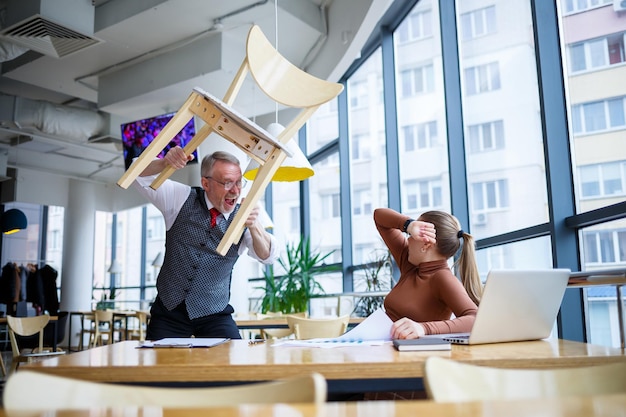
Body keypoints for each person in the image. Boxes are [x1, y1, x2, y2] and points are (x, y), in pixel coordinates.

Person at [132, 146, 278, 340]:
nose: (235, 190)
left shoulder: (246, 210)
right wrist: (164, 163)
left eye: (239, 182)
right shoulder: (181, 198)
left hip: (214, 314)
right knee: (160, 367)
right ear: (205, 183)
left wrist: (254, 225)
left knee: (233, 364)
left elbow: (268, 256)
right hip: (169, 311)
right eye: (227, 183)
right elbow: (135, 174)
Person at [373, 208, 483, 340]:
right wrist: (409, 225)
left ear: (425, 244)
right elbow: (379, 217)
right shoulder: (410, 264)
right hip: (380, 343)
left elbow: (476, 319)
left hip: (407, 354)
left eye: (411, 236)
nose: (408, 240)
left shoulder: (442, 278)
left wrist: (424, 328)